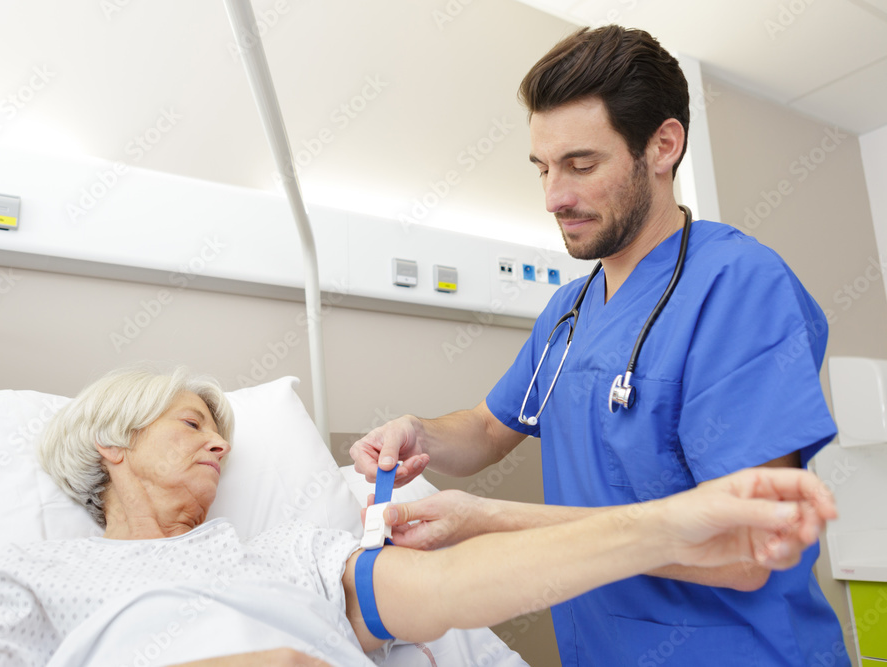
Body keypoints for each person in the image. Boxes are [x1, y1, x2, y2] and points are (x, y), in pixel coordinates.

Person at [351, 25, 848, 667]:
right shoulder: (569, 311)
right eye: (544, 168)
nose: (555, 196)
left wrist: (489, 521)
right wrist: (420, 432)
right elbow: (485, 426)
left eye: (582, 165)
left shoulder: (739, 288)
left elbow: (746, 545)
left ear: (663, 146)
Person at [0, 367, 836, 667]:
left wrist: (661, 526)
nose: (218, 445)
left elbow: (440, 586)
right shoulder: (32, 570)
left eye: (222, 430)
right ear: (112, 445)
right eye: (191, 423)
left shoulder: (287, 549)